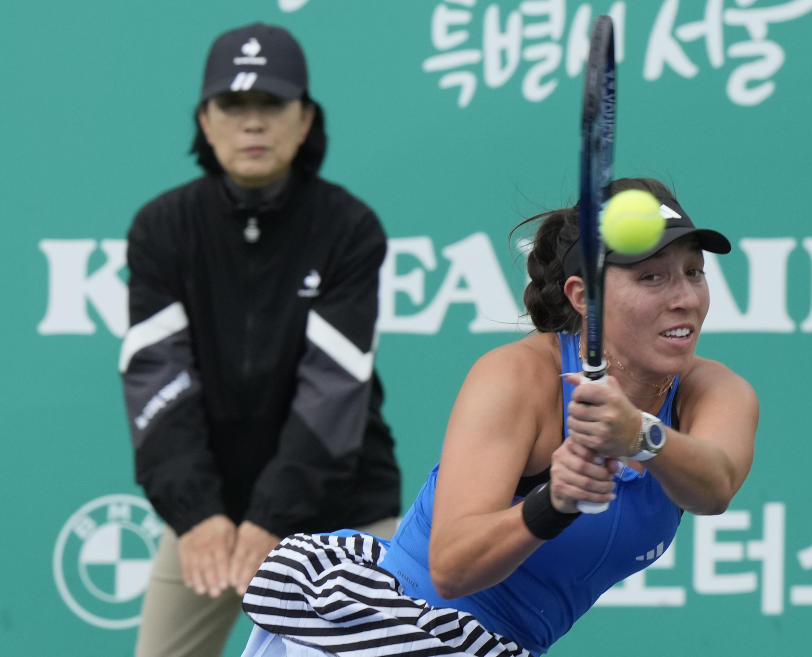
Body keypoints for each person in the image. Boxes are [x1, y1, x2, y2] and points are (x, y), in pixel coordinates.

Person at [238, 177, 758, 657]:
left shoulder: (712, 391)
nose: (685, 299)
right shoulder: (517, 379)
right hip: (387, 633)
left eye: (694, 273)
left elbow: (715, 487)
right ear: (584, 297)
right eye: (652, 278)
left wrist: (640, 435)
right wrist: (552, 502)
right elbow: (451, 566)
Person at [119, 22, 401, 657]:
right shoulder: (161, 229)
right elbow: (156, 382)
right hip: (210, 517)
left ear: (304, 121)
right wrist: (196, 516)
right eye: (234, 105)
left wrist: (273, 518)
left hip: (345, 515)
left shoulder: (348, 228)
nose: (252, 124)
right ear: (206, 120)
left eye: (271, 105)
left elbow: (332, 393)